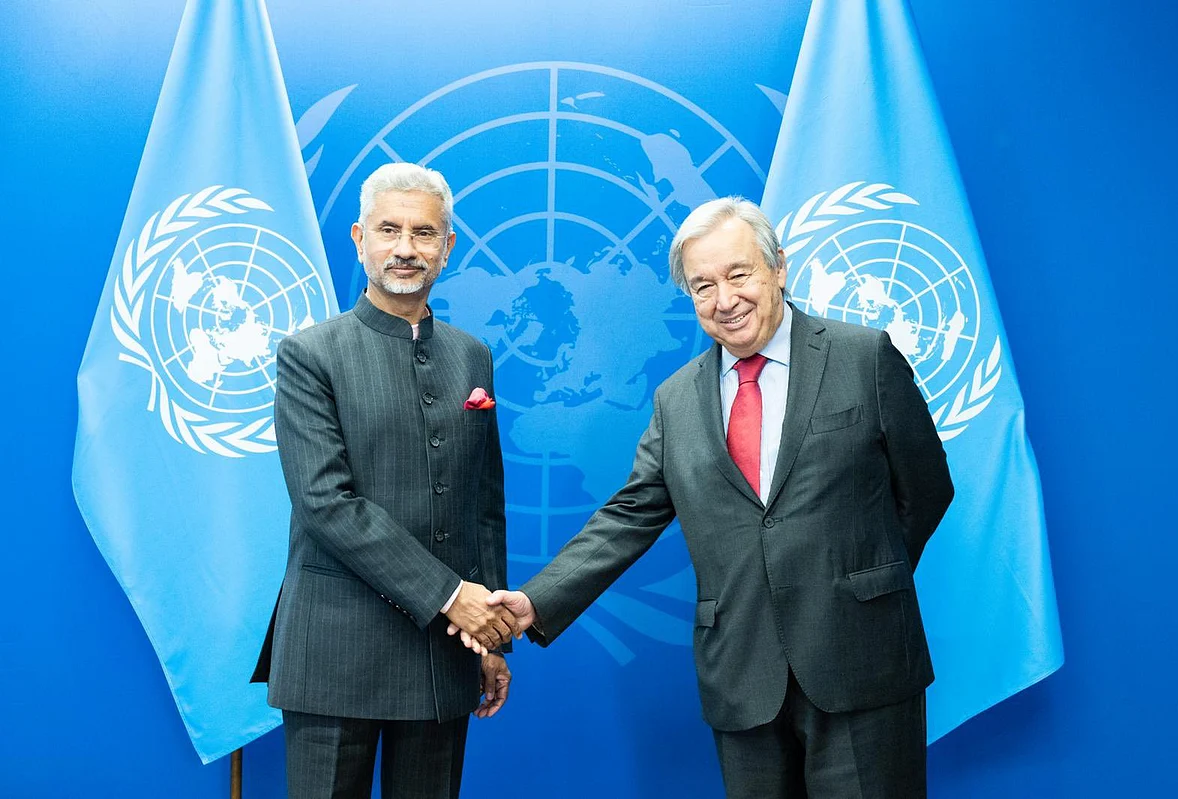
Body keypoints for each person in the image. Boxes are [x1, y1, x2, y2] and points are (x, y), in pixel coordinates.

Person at [458, 197, 954, 797]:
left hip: (864, 665)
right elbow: (630, 514)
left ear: (779, 268)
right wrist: (536, 601)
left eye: (738, 274)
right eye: (703, 286)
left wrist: (862, 581)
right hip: (743, 677)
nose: (725, 300)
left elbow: (925, 489)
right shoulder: (677, 399)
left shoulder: (863, 357)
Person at [251, 163, 518, 799]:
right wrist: (455, 599)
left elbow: (483, 505)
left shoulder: (472, 356)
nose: (405, 248)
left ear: (448, 246)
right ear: (359, 238)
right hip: (334, 650)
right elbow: (326, 504)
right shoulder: (310, 353)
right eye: (389, 230)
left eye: (424, 233)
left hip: (441, 657)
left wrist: (490, 636)